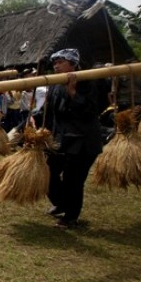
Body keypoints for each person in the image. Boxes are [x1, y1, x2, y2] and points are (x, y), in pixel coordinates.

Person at [38, 48, 102, 228]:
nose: (56, 66)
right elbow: (48, 112)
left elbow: (90, 111)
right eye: (55, 63)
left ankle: (71, 216)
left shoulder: (87, 81)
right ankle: (62, 202)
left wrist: (73, 92)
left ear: (73, 64)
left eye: (60, 62)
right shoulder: (55, 85)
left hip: (83, 140)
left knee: (73, 179)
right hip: (62, 138)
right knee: (48, 172)